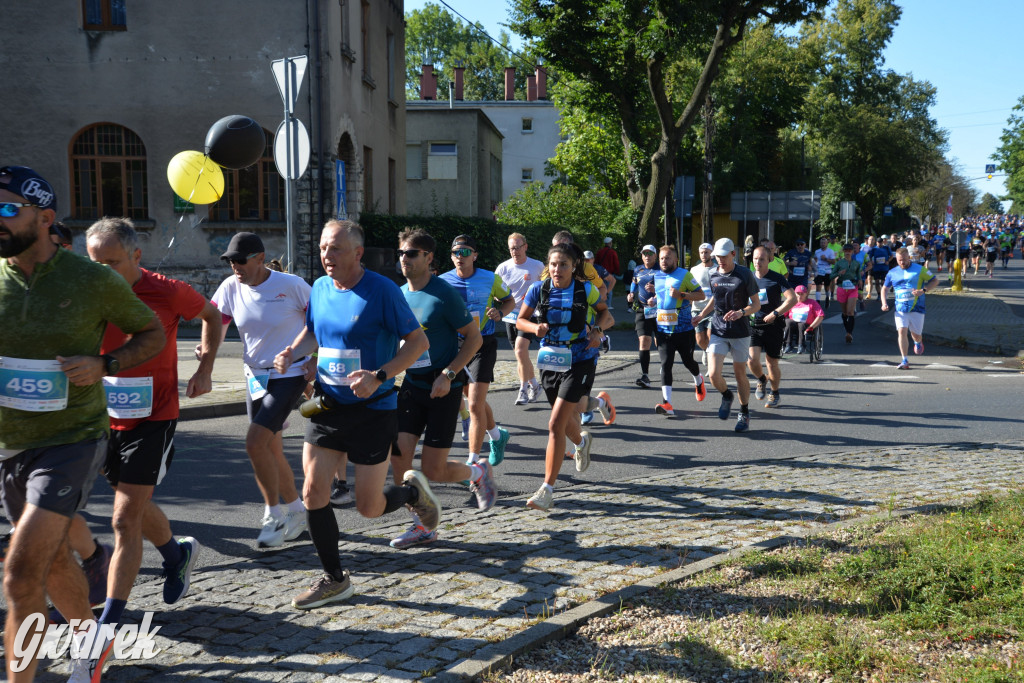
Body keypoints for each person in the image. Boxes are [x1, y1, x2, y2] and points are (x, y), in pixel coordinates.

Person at [0, 165, 165, 681]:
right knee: (50, 560)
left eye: (8, 209)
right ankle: (93, 642)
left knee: (20, 573)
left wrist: (105, 363)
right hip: (9, 445)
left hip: (71, 440)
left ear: (45, 218)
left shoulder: (91, 279)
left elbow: (152, 333)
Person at [59, 218, 221, 639]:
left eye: (111, 262)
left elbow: (212, 316)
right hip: (101, 416)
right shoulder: (86, 291)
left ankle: (109, 622)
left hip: (154, 416)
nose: (102, 271)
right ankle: (176, 554)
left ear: (136, 255)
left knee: (124, 518)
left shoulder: (166, 290)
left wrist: (205, 369)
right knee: (130, 500)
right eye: (94, 262)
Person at [273, 219, 437, 608]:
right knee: (313, 492)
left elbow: (418, 343)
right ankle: (335, 579)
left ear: (358, 253)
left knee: (369, 506)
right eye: (323, 247)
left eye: (335, 248)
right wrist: (292, 352)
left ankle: (413, 493)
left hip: (373, 410)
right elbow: (314, 332)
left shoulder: (381, 291)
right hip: (327, 405)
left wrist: (379, 376)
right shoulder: (320, 288)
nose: (326, 255)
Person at [389, 229, 492, 549]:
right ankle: (423, 525)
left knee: (433, 469)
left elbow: (474, 338)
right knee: (399, 458)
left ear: (428, 257)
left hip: (443, 387)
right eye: (401, 253)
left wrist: (448, 374)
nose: (404, 259)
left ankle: (476, 473)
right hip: (412, 385)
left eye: (411, 253)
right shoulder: (397, 295)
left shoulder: (443, 293)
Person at [210, 232, 310, 548]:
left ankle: (273, 515)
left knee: (255, 443)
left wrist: (314, 359)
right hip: (255, 377)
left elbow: (322, 321)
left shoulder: (291, 285)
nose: (235, 267)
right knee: (270, 449)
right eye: (230, 262)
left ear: (260, 259)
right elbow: (214, 320)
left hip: (290, 373)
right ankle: (297, 511)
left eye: (240, 261)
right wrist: (206, 352)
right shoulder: (230, 287)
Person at [516, 243, 614, 511]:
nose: (557, 270)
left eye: (563, 265)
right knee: (564, 421)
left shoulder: (585, 290)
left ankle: (546, 490)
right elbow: (520, 320)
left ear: (573, 267)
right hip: (550, 362)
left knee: (555, 423)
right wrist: (534, 328)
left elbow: (606, 314)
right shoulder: (539, 289)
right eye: (553, 264)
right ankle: (582, 441)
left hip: (580, 360)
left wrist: (597, 331)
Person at [441, 235, 515, 467]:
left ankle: (473, 463)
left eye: (465, 252)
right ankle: (497, 436)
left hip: (483, 344)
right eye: (456, 252)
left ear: (475, 255)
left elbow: (509, 300)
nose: (460, 257)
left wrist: (500, 313)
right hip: (455, 347)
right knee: (475, 400)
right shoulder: (442, 282)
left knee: (473, 404)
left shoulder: (490, 278)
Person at [693, 238, 761, 432]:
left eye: (724, 256)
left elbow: (756, 304)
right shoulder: (712, 273)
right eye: (717, 257)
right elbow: (716, 298)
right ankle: (726, 395)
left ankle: (744, 412)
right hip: (719, 328)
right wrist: (701, 315)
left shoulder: (744, 274)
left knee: (740, 374)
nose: (720, 260)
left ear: (733, 254)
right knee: (714, 374)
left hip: (740, 330)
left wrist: (741, 312)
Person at [651, 246, 706, 417]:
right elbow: (662, 297)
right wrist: (654, 300)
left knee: (688, 362)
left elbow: (701, 295)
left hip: (683, 329)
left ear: (676, 260)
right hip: (663, 329)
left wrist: (682, 295)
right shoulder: (657, 275)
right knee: (665, 364)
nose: (664, 261)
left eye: (667, 258)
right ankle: (667, 403)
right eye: (661, 258)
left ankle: (698, 379)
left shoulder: (685, 275)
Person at [495, 232, 544, 405]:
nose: (514, 251)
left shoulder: (537, 266)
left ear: (525, 247)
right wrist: (499, 299)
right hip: (510, 315)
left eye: (517, 247)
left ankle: (523, 389)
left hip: (529, 315)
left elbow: (547, 287)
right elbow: (496, 291)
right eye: (511, 248)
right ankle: (535, 385)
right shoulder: (503, 268)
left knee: (520, 351)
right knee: (520, 355)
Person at [748, 246, 796, 409]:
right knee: (751, 360)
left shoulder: (777, 278)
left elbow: (792, 299)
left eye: (761, 259)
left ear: (769, 260)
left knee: (771, 363)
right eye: (755, 258)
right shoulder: (749, 278)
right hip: (754, 325)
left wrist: (775, 313)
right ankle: (762, 379)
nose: (758, 262)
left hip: (773, 326)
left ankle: (774, 392)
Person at [881, 247, 938, 370]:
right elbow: (884, 289)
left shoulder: (919, 269)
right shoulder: (892, 272)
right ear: (896, 259)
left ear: (909, 257)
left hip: (917, 308)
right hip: (900, 309)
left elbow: (935, 280)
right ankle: (904, 360)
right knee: (901, 331)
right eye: (899, 260)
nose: (902, 262)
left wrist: (923, 290)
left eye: (904, 260)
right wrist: (884, 303)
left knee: (916, 335)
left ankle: (918, 342)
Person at [627, 245, 659, 387]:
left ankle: (665, 366)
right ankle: (645, 375)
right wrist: (631, 293)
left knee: (660, 341)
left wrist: (656, 291)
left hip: (659, 310)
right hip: (642, 309)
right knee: (644, 340)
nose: (647, 256)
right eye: (645, 253)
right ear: (641, 256)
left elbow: (668, 287)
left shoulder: (661, 269)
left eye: (650, 253)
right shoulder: (638, 269)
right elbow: (634, 283)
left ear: (655, 256)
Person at [689, 242, 716, 368]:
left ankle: (711, 362)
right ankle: (706, 350)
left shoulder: (717, 269)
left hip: (713, 309)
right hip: (697, 308)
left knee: (711, 336)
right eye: (701, 253)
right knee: (700, 339)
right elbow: (690, 288)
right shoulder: (694, 270)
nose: (704, 255)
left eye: (706, 252)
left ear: (711, 253)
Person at [831, 243, 863, 343]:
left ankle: (849, 334)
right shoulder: (839, 263)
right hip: (841, 288)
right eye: (846, 250)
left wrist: (860, 280)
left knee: (850, 312)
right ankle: (847, 331)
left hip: (853, 288)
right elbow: (831, 276)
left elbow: (858, 274)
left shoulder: (856, 263)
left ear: (852, 252)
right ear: (843, 252)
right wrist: (839, 273)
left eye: (849, 250)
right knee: (845, 313)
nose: (847, 252)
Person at [783, 286, 825, 354]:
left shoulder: (812, 303)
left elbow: (820, 316)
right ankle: (788, 345)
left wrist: (811, 327)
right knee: (788, 322)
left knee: (801, 325)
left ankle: (801, 345)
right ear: (795, 294)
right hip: (793, 324)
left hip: (806, 325)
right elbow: (783, 314)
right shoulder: (791, 302)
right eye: (798, 293)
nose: (800, 296)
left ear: (806, 294)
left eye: (802, 294)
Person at [594, 236, 621, 308]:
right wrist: (617, 272)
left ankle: (599, 303)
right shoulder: (613, 252)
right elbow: (616, 263)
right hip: (609, 273)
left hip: (600, 273)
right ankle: (608, 305)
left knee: (600, 287)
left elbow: (596, 263)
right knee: (609, 288)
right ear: (610, 243)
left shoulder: (599, 252)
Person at [812, 236, 836, 310]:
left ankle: (827, 298)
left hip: (827, 271)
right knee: (818, 286)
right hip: (819, 271)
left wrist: (825, 259)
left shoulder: (830, 251)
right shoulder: (817, 251)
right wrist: (814, 266)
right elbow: (815, 260)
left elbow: (833, 262)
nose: (823, 244)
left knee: (826, 287)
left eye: (824, 243)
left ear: (827, 243)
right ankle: (818, 303)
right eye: (821, 243)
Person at [865, 236, 891, 301]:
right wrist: (871, 261)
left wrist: (888, 261)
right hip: (876, 268)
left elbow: (891, 256)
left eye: (881, 242)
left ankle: (883, 294)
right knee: (876, 282)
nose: (880, 243)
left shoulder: (886, 248)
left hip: (884, 268)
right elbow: (869, 257)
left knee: (883, 282)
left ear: (882, 242)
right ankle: (879, 295)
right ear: (876, 242)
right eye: (878, 242)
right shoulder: (874, 249)